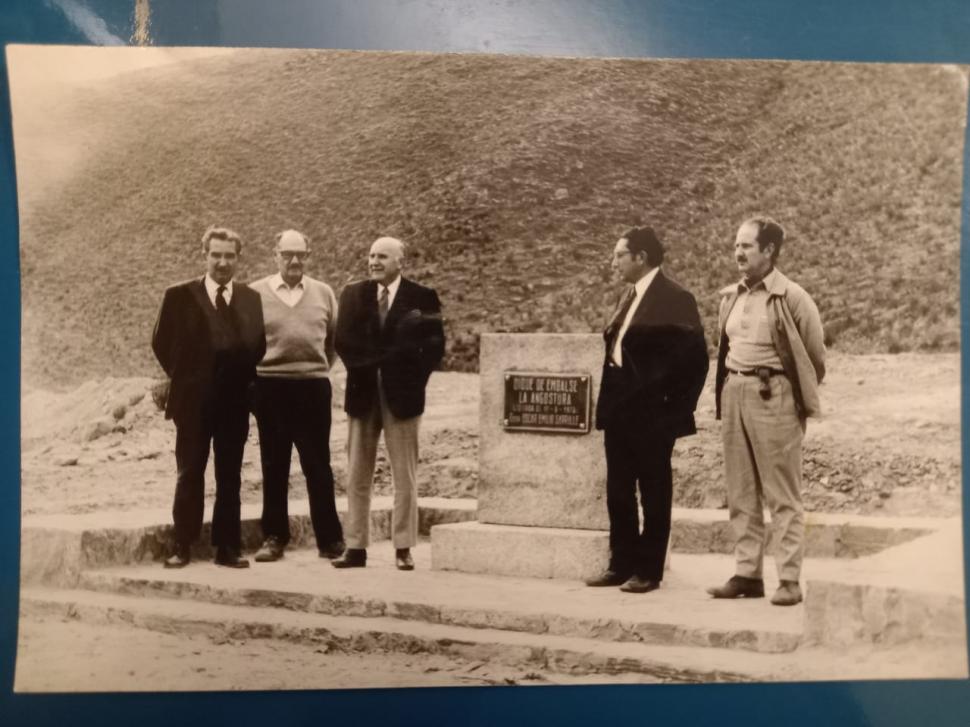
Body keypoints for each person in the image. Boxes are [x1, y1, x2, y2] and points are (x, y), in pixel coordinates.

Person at [707, 216, 825, 606]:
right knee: (740, 490)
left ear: (769, 250)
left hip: (773, 393)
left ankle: (789, 580)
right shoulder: (731, 296)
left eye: (747, 246)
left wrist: (787, 394)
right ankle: (747, 574)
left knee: (782, 493)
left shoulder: (792, 297)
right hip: (734, 390)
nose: (738, 253)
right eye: (736, 245)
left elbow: (814, 358)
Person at [585, 227, 709, 593]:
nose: (614, 262)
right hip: (620, 410)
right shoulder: (630, 296)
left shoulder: (675, 298)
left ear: (641, 257)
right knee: (618, 490)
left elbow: (696, 361)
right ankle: (620, 563)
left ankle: (648, 570)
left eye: (619, 255)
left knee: (654, 491)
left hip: (653, 416)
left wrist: (674, 412)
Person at [151, 226, 266, 569]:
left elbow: (258, 345)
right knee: (190, 472)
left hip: (234, 403)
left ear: (238, 258)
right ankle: (182, 545)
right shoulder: (179, 295)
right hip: (193, 403)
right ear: (204, 255)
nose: (222, 262)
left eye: (229, 256)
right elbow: (161, 342)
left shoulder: (250, 298)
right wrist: (189, 376)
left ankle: (227, 548)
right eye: (216, 255)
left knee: (229, 474)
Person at [331, 236, 445, 571]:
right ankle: (355, 547)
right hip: (362, 392)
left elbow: (435, 347)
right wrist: (373, 367)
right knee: (357, 473)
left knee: (404, 474)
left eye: (382, 256)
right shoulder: (353, 294)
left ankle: (403, 547)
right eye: (371, 256)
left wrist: (410, 379)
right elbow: (343, 342)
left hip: (404, 397)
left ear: (400, 262)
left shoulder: (422, 297)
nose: (374, 262)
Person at [249, 229, 345, 563]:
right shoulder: (255, 293)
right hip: (270, 388)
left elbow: (332, 341)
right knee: (274, 465)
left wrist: (312, 368)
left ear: (308, 255)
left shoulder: (324, 293)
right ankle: (274, 537)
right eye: (287, 254)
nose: (293, 261)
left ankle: (330, 540)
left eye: (300, 255)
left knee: (318, 465)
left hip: (312, 388)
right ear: (274, 254)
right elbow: (246, 343)